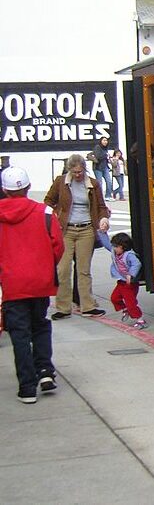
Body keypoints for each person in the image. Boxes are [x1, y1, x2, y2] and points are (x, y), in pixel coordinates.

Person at [0, 166, 65, 403]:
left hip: (13, 283)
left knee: (19, 334)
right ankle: (45, 371)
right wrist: (45, 266)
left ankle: (27, 387)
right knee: (40, 326)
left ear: (5, 190)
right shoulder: (45, 212)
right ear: (27, 188)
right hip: (40, 280)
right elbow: (58, 245)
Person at [44, 153, 111, 319]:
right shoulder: (61, 182)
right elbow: (48, 201)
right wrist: (55, 218)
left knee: (84, 269)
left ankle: (87, 305)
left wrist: (103, 219)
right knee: (63, 269)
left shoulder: (93, 184)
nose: (78, 175)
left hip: (86, 229)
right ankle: (63, 307)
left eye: (80, 172)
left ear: (84, 169)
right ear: (69, 171)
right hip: (65, 230)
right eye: (74, 172)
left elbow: (101, 206)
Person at [108, 232, 145, 329]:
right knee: (114, 298)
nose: (114, 249)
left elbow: (137, 264)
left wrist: (131, 275)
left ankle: (140, 319)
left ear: (123, 247)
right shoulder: (115, 253)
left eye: (116, 247)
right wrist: (102, 233)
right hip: (121, 282)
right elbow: (106, 245)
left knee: (131, 303)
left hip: (129, 284)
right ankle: (125, 309)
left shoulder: (129, 255)